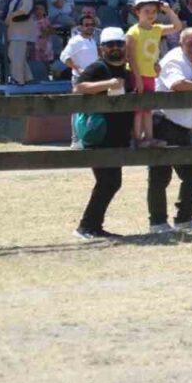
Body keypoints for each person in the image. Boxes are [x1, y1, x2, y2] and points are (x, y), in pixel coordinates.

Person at [148, 27, 192, 233]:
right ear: (181, 43)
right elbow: (177, 84)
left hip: (182, 128)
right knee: (160, 176)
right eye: (190, 43)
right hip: (163, 123)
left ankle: (183, 219)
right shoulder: (173, 59)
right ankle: (158, 222)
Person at [72, 28, 134, 240]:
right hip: (99, 135)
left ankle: (93, 226)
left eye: (119, 43)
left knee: (111, 182)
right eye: (110, 45)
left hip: (119, 136)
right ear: (102, 49)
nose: (115, 48)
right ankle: (86, 226)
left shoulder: (127, 71)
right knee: (108, 181)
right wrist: (107, 84)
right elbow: (78, 87)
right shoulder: (98, 67)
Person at [125, 0, 183, 148]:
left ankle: (149, 138)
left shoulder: (157, 29)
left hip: (150, 75)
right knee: (138, 109)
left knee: (147, 109)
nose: (151, 15)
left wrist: (169, 11)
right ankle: (137, 139)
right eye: (146, 11)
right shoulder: (133, 31)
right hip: (136, 75)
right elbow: (130, 57)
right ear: (137, 12)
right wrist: (137, 78)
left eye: (154, 11)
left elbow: (177, 27)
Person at [2, 0, 37, 85]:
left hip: (22, 30)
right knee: (14, 55)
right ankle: (27, 78)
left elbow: (26, 9)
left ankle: (17, 80)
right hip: (13, 30)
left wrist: (11, 16)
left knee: (16, 54)